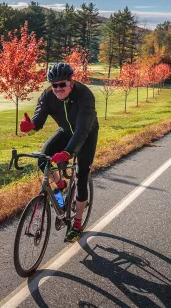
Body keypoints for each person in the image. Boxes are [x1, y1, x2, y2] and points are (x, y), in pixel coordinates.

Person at [20, 62, 99, 242]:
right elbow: (38, 120)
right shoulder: (48, 95)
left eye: (62, 84)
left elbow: (82, 131)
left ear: (71, 82)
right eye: (54, 85)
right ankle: (61, 186)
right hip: (65, 131)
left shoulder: (85, 95)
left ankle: (77, 223)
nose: (57, 88)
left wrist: (68, 153)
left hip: (86, 134)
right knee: (42, 159)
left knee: (81, 174)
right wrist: (30, 127)